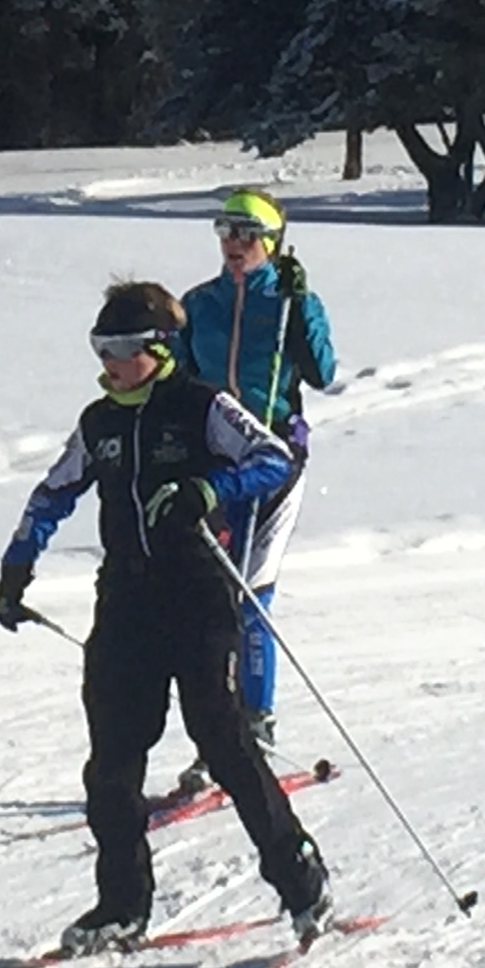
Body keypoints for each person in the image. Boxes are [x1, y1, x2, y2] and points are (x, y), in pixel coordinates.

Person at [0, 281, 332, 953]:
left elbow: (273, 458)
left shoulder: (203, 406)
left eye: (121, 348)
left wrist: (210, 486)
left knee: (224, 741)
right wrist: (16, 567)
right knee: (112, 762)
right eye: (100, 347)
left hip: (199, 595)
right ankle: (122, 904)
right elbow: (52, 493)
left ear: (159, 347)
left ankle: (300, 876)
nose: (109, 362)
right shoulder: (100, 422)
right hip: (125, 601)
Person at [171, 186, 338, 795]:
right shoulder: (199, 304)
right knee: (210, 596)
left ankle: (256, 725)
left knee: (250, 591)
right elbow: (180, 379)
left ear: (271, 242)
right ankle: (217, 735)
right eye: (225, 231)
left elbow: (323, 372)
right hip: (217, 463)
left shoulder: (291, 302)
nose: (234, 244)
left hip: (275, 461)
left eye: (247, 234)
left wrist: (303, 307)